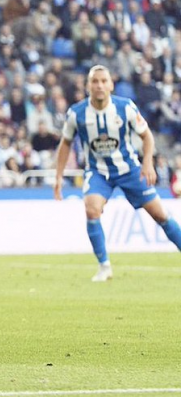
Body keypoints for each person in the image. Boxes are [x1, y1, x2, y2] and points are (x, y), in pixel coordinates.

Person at [54, 65, 181, 282]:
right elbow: (65, 143)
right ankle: (104, 266)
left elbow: (147, 136)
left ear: (111, 85)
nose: (100, 85)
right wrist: (58, 176)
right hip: (98, 171)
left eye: (104, 81)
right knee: (92, 209)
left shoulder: (125, 108)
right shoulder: (77, 113)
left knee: (160, 214)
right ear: (88, 86)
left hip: (129, 170)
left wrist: (147, 163)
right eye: (95, 81)